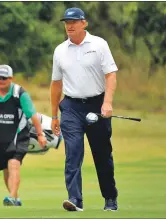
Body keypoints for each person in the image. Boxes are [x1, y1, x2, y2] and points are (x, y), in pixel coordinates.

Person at [50, 8, 119, 212]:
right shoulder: (60, 50)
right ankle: (75, 199)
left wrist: (107, 103)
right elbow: (55, 84)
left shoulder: (99, 44)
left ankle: (110, 198)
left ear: (84, 23)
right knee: (73, 152)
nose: (69, 26)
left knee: (102, 154)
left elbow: (111, 75)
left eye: (73, 21)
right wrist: (54, 115)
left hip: (96, 105)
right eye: (66, 22)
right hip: (70, 107)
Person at [0, 65, 47, 206]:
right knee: (5, 169)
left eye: (4, 78)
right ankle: (15, 198)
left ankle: (11, 197)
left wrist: (40, 134)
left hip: (19, 135)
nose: (1, 80)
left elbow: (33, 115)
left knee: (13, 163)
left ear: (11, 78)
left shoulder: (19, 93)